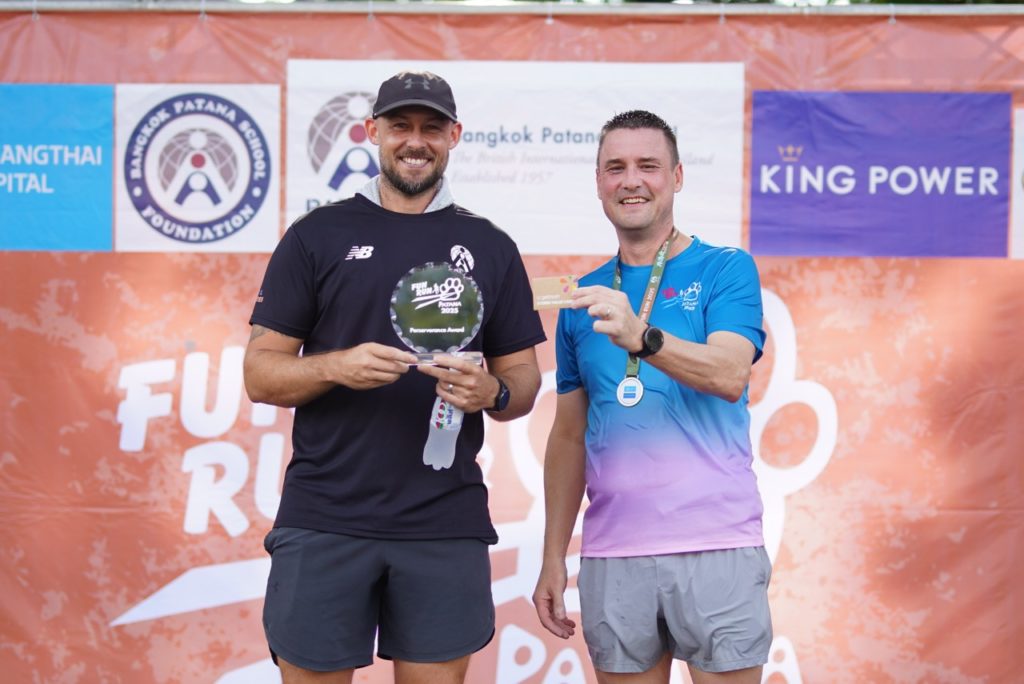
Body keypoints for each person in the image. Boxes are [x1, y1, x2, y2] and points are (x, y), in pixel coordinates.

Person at [244, 70, 545, 684]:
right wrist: (336, 366)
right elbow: (260, 374)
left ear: (454, 136)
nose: (416, 141)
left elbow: (523, 379)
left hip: (444, 520)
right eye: (400, 126)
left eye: (431, 128)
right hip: (324, 516)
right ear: (372, 131)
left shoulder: (490, 245)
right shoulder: (315, 236)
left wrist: (493, 391)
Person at [532, 110, 772, 684]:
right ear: (598, 183)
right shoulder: (583, 299)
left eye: (648, 166)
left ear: (678, 177)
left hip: (716, 545)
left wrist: (642, 337)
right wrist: (552, 556)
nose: (631, 181)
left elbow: (729, 374)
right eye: (615, 168)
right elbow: (568, 436)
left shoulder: (726, 269)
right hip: (613, 554)